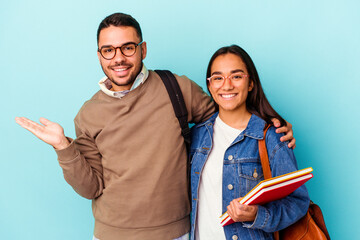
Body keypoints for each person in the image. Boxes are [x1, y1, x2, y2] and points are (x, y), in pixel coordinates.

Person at [15, 13, 295, 240]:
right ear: (99, 55)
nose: (118, 58)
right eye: (108, 50)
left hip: (177, 231)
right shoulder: (88, 114)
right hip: (112, 235)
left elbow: (227, 118)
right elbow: (91, 187)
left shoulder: (176, 88)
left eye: (127, 47)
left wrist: (272, 126)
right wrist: (63, 147)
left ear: (142, 49)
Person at [189, 45, 310, 240]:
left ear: (251, 83)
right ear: (210, 85)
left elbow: (297, 202)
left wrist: (258, 215)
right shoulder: (197, 136)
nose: (227, 85)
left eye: (236, 76)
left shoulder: (271, 137)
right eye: (218, 78)